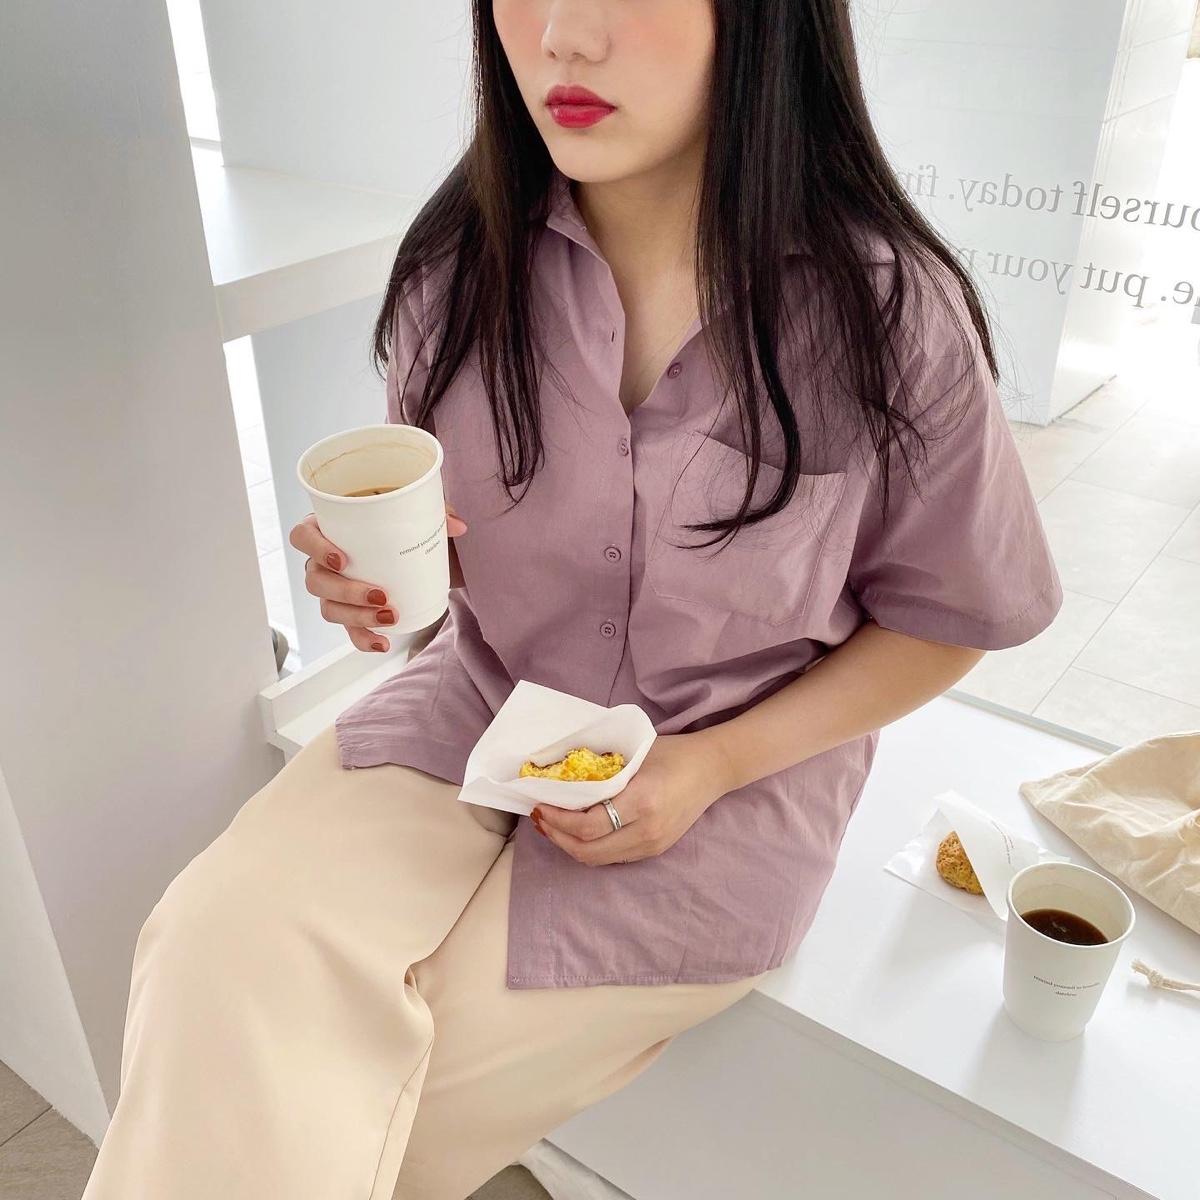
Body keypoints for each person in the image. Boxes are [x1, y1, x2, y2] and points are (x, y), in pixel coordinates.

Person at [83, 2, 1063, 1197]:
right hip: (477, 704)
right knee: (212, 945)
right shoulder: (458, 268)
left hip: (727, 779)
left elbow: (949, 618)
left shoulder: (890, 315)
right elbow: (447, 572)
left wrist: (714, 765)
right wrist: (385, 583)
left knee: (357, 1111)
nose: (562, 37)